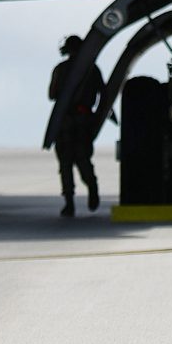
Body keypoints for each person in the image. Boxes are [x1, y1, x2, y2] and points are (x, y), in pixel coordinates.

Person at [47, 35, 104, 218]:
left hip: (65, 121)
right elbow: (103, 93)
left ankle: (69, 203)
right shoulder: (92, 70)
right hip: (83, 119)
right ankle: (92, 187)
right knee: (83, 158)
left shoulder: (61, 69)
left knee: (65, 163)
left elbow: (52, 94)